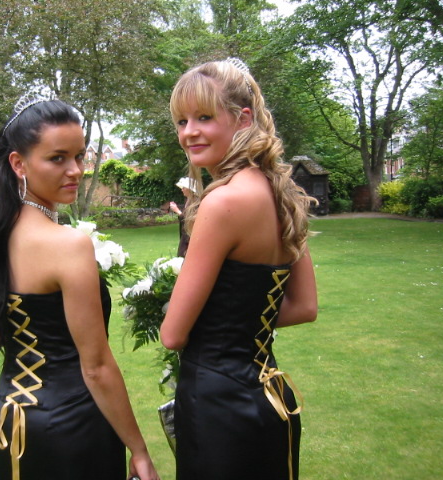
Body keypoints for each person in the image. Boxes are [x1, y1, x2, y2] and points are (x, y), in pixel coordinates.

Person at [0, 97, 159, 480]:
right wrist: (139, 449)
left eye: (79, 156)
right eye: (57, 158)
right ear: (18, 163)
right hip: (72, 425)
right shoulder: (68, 245)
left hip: (11, 423)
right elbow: (97, 367)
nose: (75, 170)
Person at [160, 58, 318, 480]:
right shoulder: (283, 195)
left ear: (243, 119)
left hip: (218, 407)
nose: (189, 132)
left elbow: (173, 335)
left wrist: (203, 322)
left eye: (204, 117)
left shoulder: (222, 202)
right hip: (271, 398)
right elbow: (304, 307)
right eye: (181, 121)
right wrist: (237, 322)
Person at [169, 177, 198, 257]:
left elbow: (191, 219)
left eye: (184, 188)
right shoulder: (189, 200)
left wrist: (177, 210)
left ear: (189, 189)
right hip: (185, 234)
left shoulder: (195, 202)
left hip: (190, 236)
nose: (182, 190)